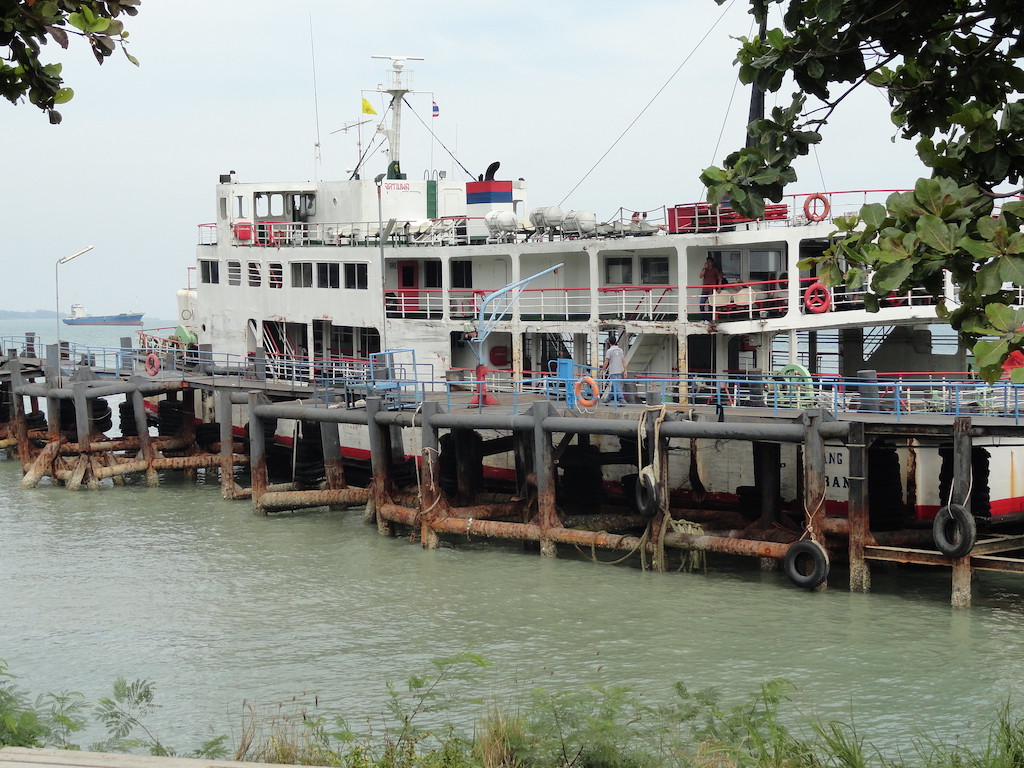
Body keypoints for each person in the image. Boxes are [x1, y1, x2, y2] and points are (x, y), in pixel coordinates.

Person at [601, 335, 627, 403]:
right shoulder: (620, 350)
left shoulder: (609, 351)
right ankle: (607, 399)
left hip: (613, 370)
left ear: (609, 342)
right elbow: (623, 360)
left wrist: (602, 370)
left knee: (616, 385)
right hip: (620, 370)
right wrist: (625, 370)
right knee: (615, 385)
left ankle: (621, 399)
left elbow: (606, 361)